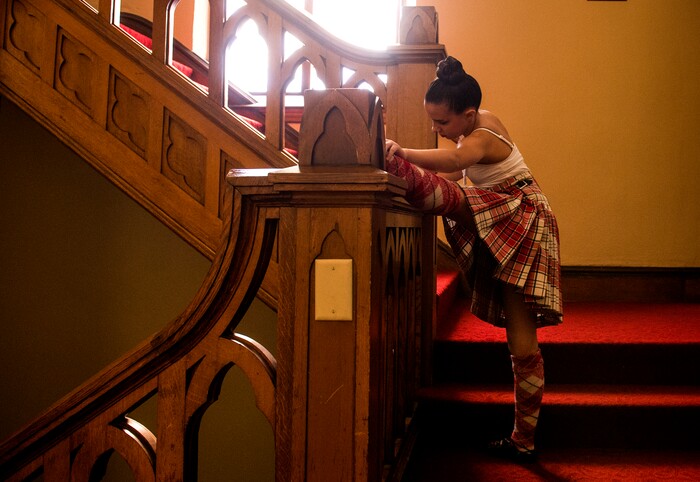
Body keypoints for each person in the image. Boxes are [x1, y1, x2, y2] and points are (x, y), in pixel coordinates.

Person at [385, 56, 562, 463]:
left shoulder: (481, 134)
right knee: (519, 332)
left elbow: (454, 165)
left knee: (522, 331)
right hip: (507, 213)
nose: (436, 130)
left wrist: (401, 154)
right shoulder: (474, 125)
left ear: (467, 115)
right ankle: (524, 440)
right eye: (432, 122)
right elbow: (454, 174)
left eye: (442, 124)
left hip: (522, 215)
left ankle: (524, 440)